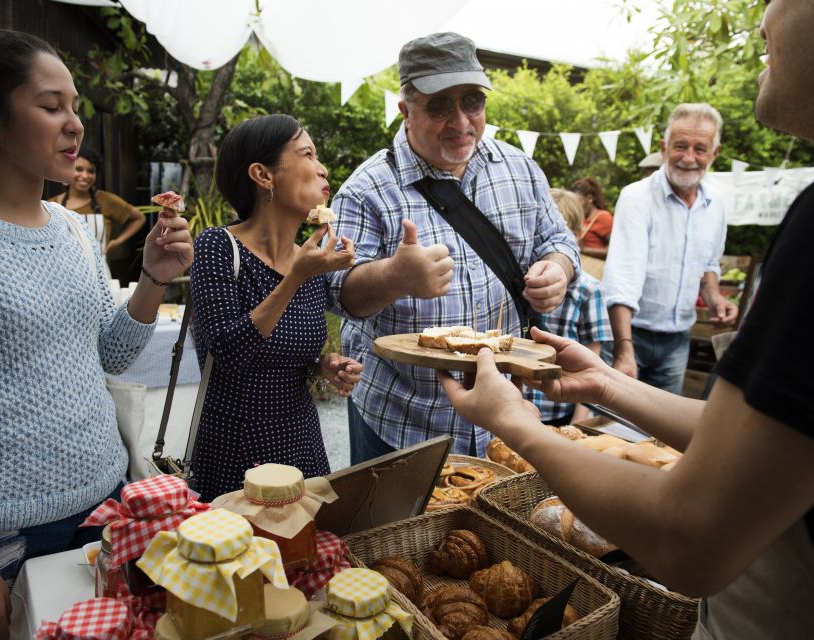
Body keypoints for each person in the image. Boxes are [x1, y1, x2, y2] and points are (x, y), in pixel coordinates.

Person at [441, 1, 814, 637]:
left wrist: (516, 425)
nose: (762, 22)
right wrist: (609, 384)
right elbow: (762, 439)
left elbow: (687, 540)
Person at [0, 29, 192, 639]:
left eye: (75, 107)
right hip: (1, 535)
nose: (74, 125)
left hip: (106, 508)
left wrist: (152, 279)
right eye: (50, 106)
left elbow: (108, 354)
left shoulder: (72, 229)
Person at [327, 32, 580, 464]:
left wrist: (558, 269)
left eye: (472, 102)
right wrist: (394, 277)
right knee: (395, 532)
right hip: (403, 420)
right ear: (406, 109)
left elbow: (559, 241)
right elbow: (335, 292)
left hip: (504, 418)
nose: (461, 121)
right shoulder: (365, 190)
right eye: (440, 105)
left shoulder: (519, 167)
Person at [188, 114, 362, 501]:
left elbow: (285, 356)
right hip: (235, 450)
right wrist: (295, 278)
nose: (323, 168)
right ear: (263, 175)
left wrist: (323, 366)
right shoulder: (218, 247)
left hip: (302, 444)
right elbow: (228, 351)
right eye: (307, 154)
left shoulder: (310, 262)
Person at [604, 103, 738, 395]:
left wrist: (714, 297)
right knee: (608, 425)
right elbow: (624, 276)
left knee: (659, 435)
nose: (689, 158)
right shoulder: (636, 197)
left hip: (677, 340)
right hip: (629, 335)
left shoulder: (715, 203)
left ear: (714, 154)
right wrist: (623, 349)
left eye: (700, 149)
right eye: (680, 146)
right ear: (664, 148)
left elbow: (709, 265)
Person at [527, 189, 612, 425]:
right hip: (519, 407)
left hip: (560, 412)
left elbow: (592, 363)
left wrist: (579, 422)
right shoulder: (523, 281)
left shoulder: (589, 289)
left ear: (575, 235)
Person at [49, 146, 146, 284]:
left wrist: (115, 242)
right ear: (69, 169)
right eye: (79, 169)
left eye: (91, 171)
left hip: (98, 277)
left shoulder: (105, 200)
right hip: (61, 278)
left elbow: (138, 218)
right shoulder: (53, 205)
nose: (85, 176)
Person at [569, 176, 613, 259]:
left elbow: (614, 250)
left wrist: (584, 250)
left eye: (578, 202)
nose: (576, 207)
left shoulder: (604, 217)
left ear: (589, 199)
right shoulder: (579, 218)